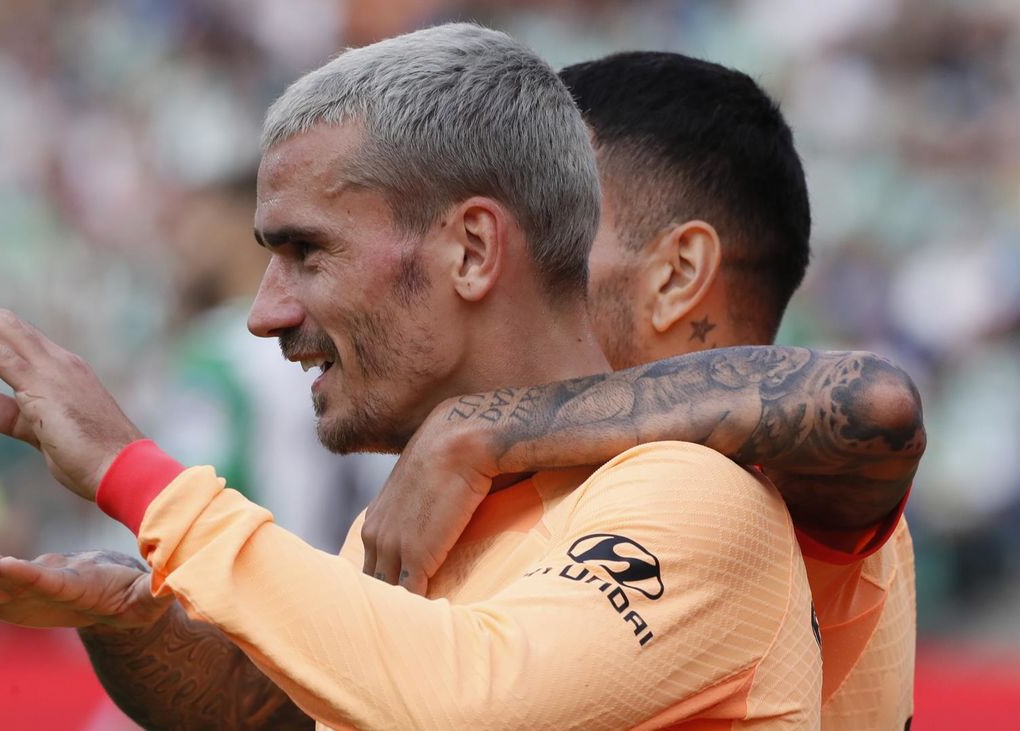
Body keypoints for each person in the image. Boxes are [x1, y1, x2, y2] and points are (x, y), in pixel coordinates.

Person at [0, 24, 823, 729]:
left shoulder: (699, 497)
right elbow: (305, 713)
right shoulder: (415, 516)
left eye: (308, 252)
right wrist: (138, 626)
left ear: (471, 249)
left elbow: (465, 706)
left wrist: (134, 475)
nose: (265, 311)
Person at [358, 53, 921, 730]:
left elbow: (873, 403)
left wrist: (480, 427)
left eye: (557, 234)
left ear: (677, 274)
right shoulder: (578, 481)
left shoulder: (780, 484)